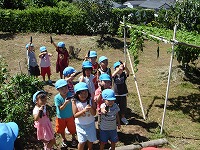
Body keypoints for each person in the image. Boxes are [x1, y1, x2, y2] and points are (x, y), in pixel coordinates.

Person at [72, 82, 97, 150]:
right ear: (77, 94)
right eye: (81, 93)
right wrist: (83, 111)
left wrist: (91, 108)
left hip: (90, 124)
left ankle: (90, 148)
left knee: (90, 140)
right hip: (80, 125)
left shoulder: (91, 100)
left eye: (85, 92)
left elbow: (94, 113)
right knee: (82, 142)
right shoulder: (75, 102)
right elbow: (75, 115)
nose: (83, 95)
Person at [54, 79, 77, 148]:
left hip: (70, 115)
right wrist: (66, 103)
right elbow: (60, 108)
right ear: (58, 90)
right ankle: (64, 139)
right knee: (61, 129)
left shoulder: (70, 94)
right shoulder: (57, 98)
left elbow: (74, 103)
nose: (64, 90)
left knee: (72, 128)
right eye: (62, 89)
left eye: (66, 88)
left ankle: (73, 138)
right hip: (61, 117)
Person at [112, 61, 130, 125]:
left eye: (122, 69)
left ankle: (122, 117)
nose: (120, 69)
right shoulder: (115, 75)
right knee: (115, 106)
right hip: (116, 94)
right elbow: (112, 75)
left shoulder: (123, 75)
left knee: (123, 106)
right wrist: (118, 70)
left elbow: (128, 73)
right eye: (119, 68)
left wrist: (126, 67)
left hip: (123, 93)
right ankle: (115, 118)